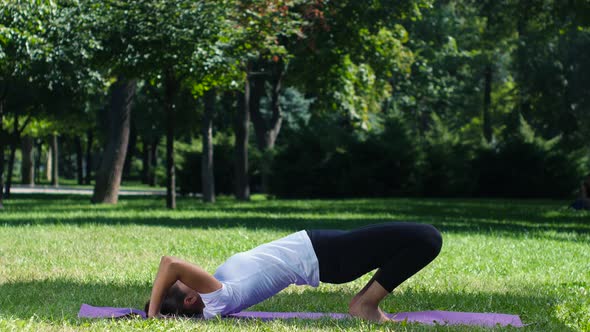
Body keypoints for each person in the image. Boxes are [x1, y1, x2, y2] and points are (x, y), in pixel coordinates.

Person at [145, 222, 442, 322]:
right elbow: (170, 263)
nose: (186, 280)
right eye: (182, 286)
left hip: (323, 250)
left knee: (411, 242)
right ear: (189, 301)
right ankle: (365, 304)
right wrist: (153, 315)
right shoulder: (216, 299)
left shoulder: (216, 291)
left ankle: (364, 303)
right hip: (326, 255)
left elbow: (172, 270)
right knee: (427, 238)